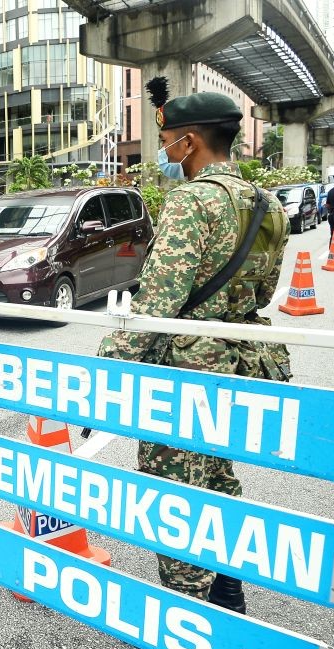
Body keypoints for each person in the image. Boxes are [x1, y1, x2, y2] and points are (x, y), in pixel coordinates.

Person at [97, 82, 290, 614]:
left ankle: (189, 611)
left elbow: (156, 304)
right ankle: (227, 585)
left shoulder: (191, 201)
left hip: (186, 370)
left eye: (165, 141)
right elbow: (264, 293)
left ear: (187, 142)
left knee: (175, 491)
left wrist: (101, 376)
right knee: (219, 474)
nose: (164, 152)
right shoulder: (267, 205)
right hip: (241, 363)